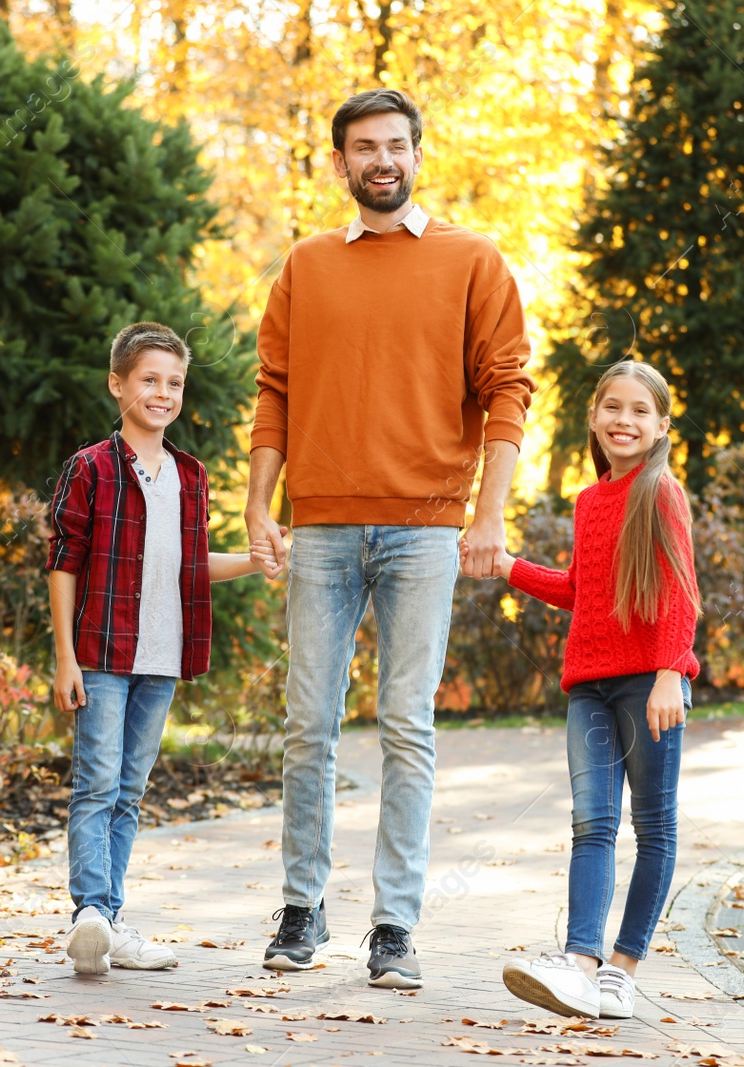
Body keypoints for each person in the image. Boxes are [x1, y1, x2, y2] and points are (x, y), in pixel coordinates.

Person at [245, 87, 536, 989]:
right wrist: (259, 505)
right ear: (341, 163)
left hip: (426, 533)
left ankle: (394, 926)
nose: (381, 159)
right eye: (364, 147)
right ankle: (302, 905)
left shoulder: (473, 260)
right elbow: (274, 390)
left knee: (408, 727)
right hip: (322, 527)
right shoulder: (305, 263)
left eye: (396, 145)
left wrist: (487, 515)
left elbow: (508, 389)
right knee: (307, 729)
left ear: (419, 154)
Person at [46, 321, 276, 975]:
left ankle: (108, 924)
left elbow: (191, 562)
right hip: (100, 650)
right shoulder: (90, 467)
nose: (163, 392)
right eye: (149, 379)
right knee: (96, 784)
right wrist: (65, 655)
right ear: (117, 384)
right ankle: (90, 911)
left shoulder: (190, 475)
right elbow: (64, 563)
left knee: (130, 793)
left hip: (164, 657)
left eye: (174, 382)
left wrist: (257, 562)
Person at [488, 360, 701, 1019]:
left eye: (640, 410)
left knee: (654, 826)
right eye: (613, 406)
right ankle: (581, 963)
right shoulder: (589, 500)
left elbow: (680, 590)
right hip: (590, 687)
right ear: (593, 417)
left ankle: (623, 966)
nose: (624, 420)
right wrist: (508, 567)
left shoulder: (661, 491)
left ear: (662, 426)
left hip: (650, 684)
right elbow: (580, 591)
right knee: (591, 822)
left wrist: (670, 670)